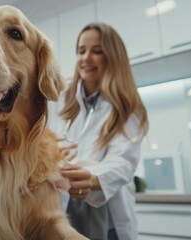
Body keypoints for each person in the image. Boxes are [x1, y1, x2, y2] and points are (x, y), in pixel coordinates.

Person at [55, 23, 149, 240]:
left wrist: (93, 178)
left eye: (97, 51)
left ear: (113, 56)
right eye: (81, 51)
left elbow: (124, 161)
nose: (86, 58)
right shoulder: (61, 101)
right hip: (62, 208)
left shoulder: (128, 107)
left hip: (108, 218)